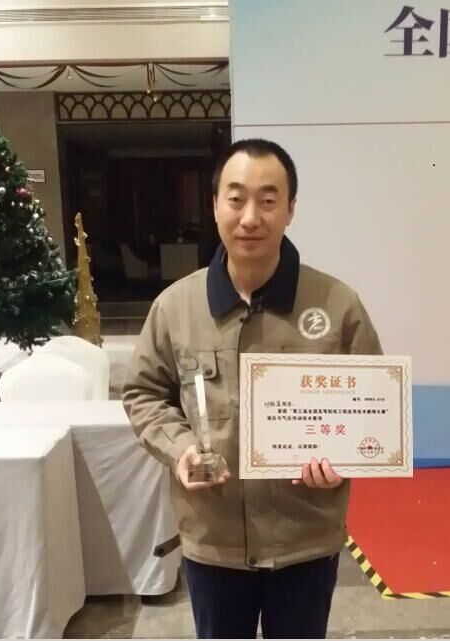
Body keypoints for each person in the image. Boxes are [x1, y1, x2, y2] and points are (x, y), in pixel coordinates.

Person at [123, 138, 382, 639]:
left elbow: (372, 405)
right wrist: (179, 449)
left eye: (267, 200)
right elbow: (144, 393)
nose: (250, 217)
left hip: (305, 537)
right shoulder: (175, 307)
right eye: (236, 198)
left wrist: (342, 459)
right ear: (214, 204)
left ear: (290, 210)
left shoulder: (337, 305)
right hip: (213, 538)